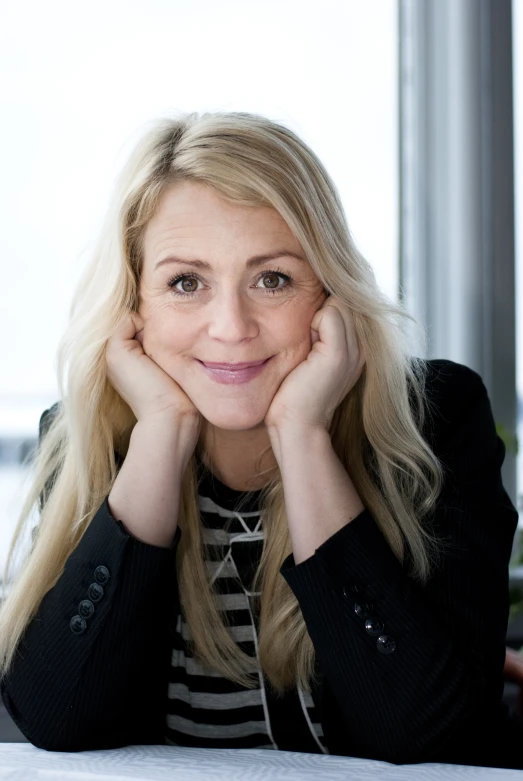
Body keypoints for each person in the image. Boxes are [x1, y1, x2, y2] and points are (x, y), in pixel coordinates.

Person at [0, 111, 521, 770]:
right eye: (185, 282)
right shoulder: (89, 438)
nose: (231, 326)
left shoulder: (434, 420)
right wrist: (161, 431)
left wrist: (301, 434)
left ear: (328, 293)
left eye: (271, 278)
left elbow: (421, 734)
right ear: (135, 306)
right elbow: (59, 719)